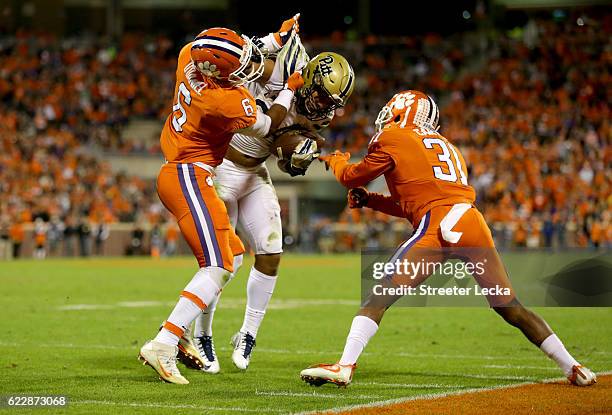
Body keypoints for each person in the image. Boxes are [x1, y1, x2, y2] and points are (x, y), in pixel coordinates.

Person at [300, 90, 596, 387]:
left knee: (379, 295)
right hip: (470, 221)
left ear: (402, 111)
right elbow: (417, 204)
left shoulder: (393, 136)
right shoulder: (449, 147)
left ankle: (345, 365)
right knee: (510, 306)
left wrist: (337, 161)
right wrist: (371, 200)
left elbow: (353, 176)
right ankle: (573, 367)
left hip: (440, 226)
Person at [138, 17, 303, 384]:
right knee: (218, 264)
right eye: (240, 65)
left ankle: (179, 334)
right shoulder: (225, 100)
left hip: (180, 171)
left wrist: (275, 38)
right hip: (189, 175)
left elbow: (233, 52)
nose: (248, 67)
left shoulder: (188, 55)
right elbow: (271, 123)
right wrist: (288, 89)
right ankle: (165, 341)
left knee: (235, 253)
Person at [179, 36, 355, 373]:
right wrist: (266, 52)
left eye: (333, 102)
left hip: (254, 171)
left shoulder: (316, 116)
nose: (324, 106)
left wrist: (298, 158)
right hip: (221, 166)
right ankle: (203, 334)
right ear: (310, 80)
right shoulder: (277, 72)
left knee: (271, 250)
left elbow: (281, 150)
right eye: (322, 95)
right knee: (222, 261)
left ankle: (248, 332)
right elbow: (240, 66)